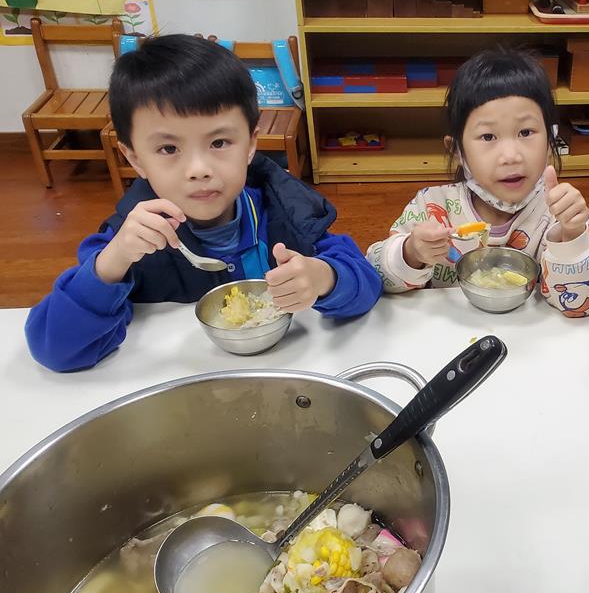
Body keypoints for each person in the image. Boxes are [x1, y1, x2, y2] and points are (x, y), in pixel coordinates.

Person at [26, 34, 382, 372]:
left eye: (219, 143)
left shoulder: (287, 213)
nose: (198, 169)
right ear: (134, 158)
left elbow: (366, 284)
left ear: (251, 144)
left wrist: (324, 278)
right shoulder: (128, 243)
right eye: (168, 148)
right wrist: (111, 264)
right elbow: (55, 350)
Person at [366, 49, 589, 318]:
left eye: (526, 132)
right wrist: (411, 252)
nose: (511, 156)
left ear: (551, 141)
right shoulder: (432, 206)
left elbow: (588, 305)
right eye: (488, 137)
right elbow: (375, 277)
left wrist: (572, 238)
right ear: (457, 151)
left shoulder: (560, 215)